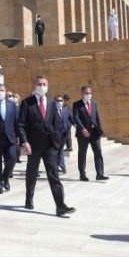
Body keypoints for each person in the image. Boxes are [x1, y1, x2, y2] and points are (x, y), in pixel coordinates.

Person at [17, 75, 75, 217]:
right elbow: (21, 125)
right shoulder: (27, 103)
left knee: (53, 175)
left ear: (47, 86)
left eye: (44, 84)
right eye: (39, 84)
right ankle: (29, 197)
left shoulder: (52, 103)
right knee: (32, 173)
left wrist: (56, 141)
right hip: (33, 145)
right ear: (34, 85)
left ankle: (60, 206)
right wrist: (24, 142)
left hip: (49, 146)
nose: (42, 86)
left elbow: (57, 123)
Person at [73, 85, 108, 181]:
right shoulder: (76, 104)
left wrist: (100, 131)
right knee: (82, 154)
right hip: (83, 134)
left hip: (94, 133)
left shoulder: (93, 104)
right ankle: (82, 175)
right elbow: (76, 118)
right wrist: (82, 129)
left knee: (98, 152)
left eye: (89, 93)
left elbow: (96, 117)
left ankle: (100, 174)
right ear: (82, 93)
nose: (88, 95)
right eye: (86, 93)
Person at [54, 95, 73, 174]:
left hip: (64, 135)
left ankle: (60, 166)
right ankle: (60, 166)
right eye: (58, 101)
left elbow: (72, 119)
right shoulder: (52, 111)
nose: (59, 102)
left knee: (60, 151)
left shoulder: (66, 110)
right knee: (56, 151)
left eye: (61, 100)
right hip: (55, 135)